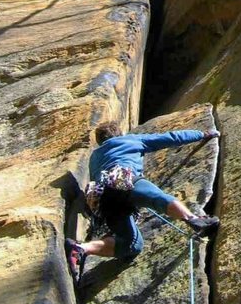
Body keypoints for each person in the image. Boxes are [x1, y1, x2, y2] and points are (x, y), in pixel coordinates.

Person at [65, 121, 220, 282]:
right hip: (124, 179)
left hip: (104, 198)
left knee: (132, 244)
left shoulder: (94, 157)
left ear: (100, 141)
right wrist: (203, 134)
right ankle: (193, 220)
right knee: (157, 199)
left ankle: (81, 248)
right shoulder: (131, 140)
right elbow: (170, 137)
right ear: (119, 133)